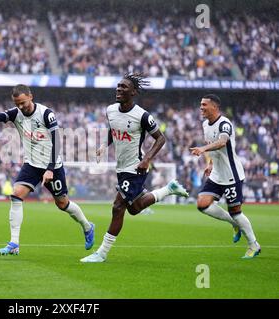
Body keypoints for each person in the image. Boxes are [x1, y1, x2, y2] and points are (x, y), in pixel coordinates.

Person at [0, 84, 95, 255]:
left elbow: (57, 142)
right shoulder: (16, 113)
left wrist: (50, 169)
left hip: (52, 165)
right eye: (17, 104)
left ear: (31, 96)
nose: (21, 107)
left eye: (23, 102)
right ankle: (14, 243)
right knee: (16, 195)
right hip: (31, 164)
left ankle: (87, 226)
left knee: (62, 203)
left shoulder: (46, 114)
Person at [81, 73, 189, 263]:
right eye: (118, 86)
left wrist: (147, 159)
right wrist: (103, 146)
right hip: (121, 168)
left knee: (117, 207)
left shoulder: (142, 116)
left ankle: (101, 253)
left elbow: (161, 138)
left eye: (124, 87)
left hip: (136, 167)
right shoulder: (110, 110)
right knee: (135, 208)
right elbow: (114, 130)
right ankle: (168, 189)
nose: (119, 89)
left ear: (134, 92)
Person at [190, 94, 261, 259]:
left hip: (231, 174)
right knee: (202, 204)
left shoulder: (225, 123)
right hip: (216, 173)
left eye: (204, 105)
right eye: (200, 104)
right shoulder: (205, 124)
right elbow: (214, 148)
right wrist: (210, 164)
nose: (201, 107)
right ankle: (234, 224)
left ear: (215, 107)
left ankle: (254, 245)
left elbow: (222, 142)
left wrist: (202, 149)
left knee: (236, 212)